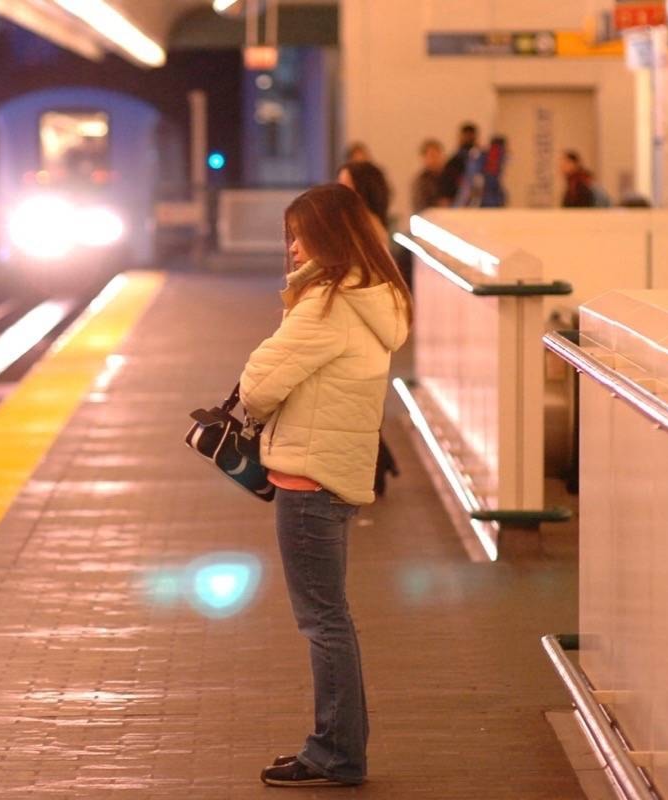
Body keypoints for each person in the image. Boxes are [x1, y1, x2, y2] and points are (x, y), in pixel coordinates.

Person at [241, 184, 411, 788]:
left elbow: (259, 385)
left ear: (327, 237)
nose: (290, 247)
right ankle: (338, 747)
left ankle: (335, 753)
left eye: (298, 234)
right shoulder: (373, 297)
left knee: (323, 622)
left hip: (308, 481)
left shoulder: (329, 303)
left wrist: (295, 308)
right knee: (331, 618)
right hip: (334, 472)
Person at [336, 161, 401, 495]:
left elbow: (363, 276)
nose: (340, 189)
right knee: (360, 404)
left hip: (364, 326)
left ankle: (376, 467)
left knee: (358, 405)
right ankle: (380, 463)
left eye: (346, 184)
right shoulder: (362, 222)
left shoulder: (367, 226)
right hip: (363, 324)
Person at [438, 122, 478, 206]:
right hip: (457, 203)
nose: (468, 139)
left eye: (470, 137)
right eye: (466, 136)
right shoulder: (454, 162)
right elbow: (447, 184)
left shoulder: (479, 160)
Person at [411, 138, 444, 213]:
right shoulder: (421, 182)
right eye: (432, 155)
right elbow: (420, 206)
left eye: (437, 155)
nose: (436, 159)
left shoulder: (448, 178)